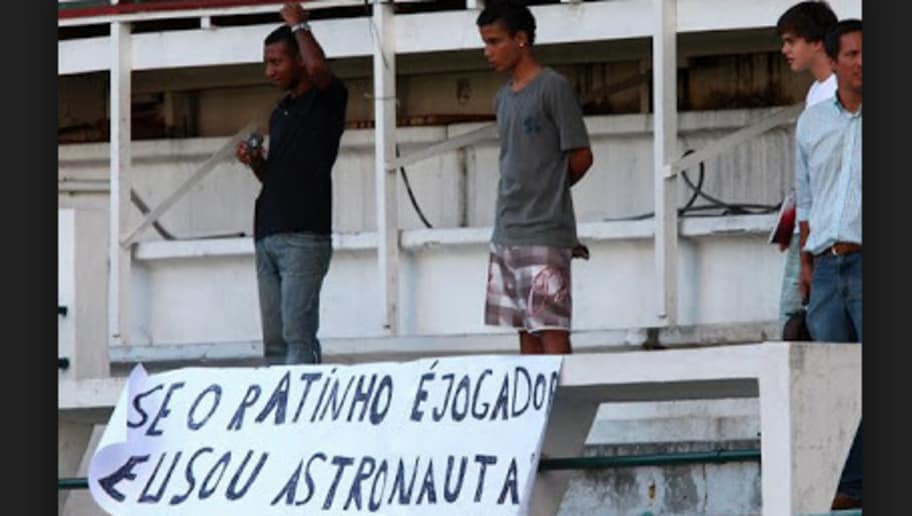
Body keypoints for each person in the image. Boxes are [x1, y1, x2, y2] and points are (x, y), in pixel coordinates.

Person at [476, 1, 594, 355]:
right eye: (485, 43)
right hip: (507, 230)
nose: (488, 52)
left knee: (551, 327)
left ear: (521, 39)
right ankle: (535, 410)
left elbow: (582, 156)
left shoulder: (552, 87)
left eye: (495, 42)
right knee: (524, 330)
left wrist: (549, 194)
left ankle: (561, 408)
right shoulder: (502, 99)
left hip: (544, 230)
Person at [235, 3, 348, 365]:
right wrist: (256, 163)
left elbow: (319, 69)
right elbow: (275, 177)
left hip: (304, 235)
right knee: (274, 342)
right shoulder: (280, 111)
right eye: (267, 62)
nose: (270, 71)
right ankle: (279, 417)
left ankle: (303, 414)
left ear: (299, 60)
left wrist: (300, 25)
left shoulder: (328, 98)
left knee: (298, 337)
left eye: (277, 62)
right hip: (268, 232)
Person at [795, 18, 862, 510]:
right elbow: (808, 198)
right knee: (833, 385)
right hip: (825, 265)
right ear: (835, 61)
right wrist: (806, 263)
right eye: (854, 54)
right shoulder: (812, 122)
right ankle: (848, 483)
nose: (863, 63)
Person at [775, 1, 838, 335]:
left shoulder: (837, 94)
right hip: (809, 220)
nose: (785, 50)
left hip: (825, 225)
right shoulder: (817, 91)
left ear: (817, 42)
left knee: (796, 315)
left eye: (791, 41)